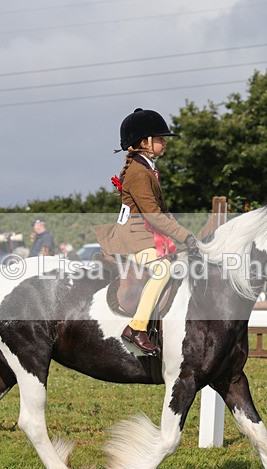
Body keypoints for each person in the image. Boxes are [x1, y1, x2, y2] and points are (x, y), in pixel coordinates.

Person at [95, 108, 199, 355]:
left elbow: (162, 212)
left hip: (146, 235)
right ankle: (137, 328)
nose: (164, 143)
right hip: (135, 238)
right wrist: (185, 236)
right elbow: (154, 215)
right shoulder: (139, 173)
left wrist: (186, 234)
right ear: (145, 143)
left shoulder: (146, 168)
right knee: (162, 270)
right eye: (160, 139)